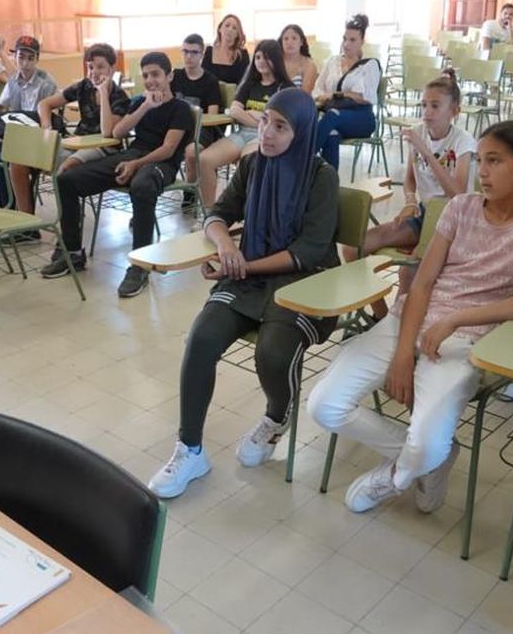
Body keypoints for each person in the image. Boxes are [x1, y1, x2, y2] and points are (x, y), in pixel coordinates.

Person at [308, 120, 513, 514]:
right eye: (480, 160)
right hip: (408, 320)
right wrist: (403, 356)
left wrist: (456, 320)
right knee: (324, 405)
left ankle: (397, 475)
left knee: (426, 443)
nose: (483, 172)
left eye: (494, 161)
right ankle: (427, 460)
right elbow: (422, 284)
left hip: (464, 342)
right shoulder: (460, 207)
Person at [147, 88, 340, 498]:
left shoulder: (321, 177)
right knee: (201, 339)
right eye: (266, 120)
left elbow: (307, 253)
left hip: (307, 285)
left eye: (281, 126)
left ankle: (275, 417)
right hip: (248, 272)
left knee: (270, 351)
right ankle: (191, 449)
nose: (267, 133)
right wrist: (227, 247)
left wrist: (240, 264)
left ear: (302, 132)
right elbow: (218, 214)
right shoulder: (254, 165)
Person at [41, 52, 193, 298]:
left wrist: (136, 164)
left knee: (142, 186)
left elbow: (167, 149)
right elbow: (117, 132)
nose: (151, 80)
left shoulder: (181, 109)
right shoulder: (139, 102)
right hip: (131, 156)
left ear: (169, 76)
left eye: (156, 74)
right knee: (66, 180)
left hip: (161, 163)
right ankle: (72, 254)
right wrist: (145, 106)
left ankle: (140, 265)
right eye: (146, 75)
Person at [350, 72, 475, 319]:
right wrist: (409, 201)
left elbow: (458, 193)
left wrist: (426, 152)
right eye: (424, 105)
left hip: (455, 220)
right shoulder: (419, 133)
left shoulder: (463, 142)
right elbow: (409, 179)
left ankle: (397, 324)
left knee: (409, 274)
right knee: (354, 248)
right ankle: (381, 317)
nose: (427, 112)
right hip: (424, 214)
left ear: (454, 111)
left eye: (435, 106)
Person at [185, 39, 292, 210]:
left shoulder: (285, 87)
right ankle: (209, 213)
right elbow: (234, 110)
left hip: (265, 137)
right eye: (257, 57)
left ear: (276, 59)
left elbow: (280, 120)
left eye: (266, 57)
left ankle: (247, 215)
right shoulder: (249, 84)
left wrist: (257, 116)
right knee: (205, 159)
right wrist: (260, 117)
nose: (261, 62)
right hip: (242, 133)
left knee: (248, 163)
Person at [36, 43, 130, 181]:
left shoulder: (119, 97)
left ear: (112, 68)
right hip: (80, 142)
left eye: (100, 67)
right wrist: (47, 127)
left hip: (105, 147)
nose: (94, 72)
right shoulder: (83, 86)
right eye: (90, 67)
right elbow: (44, 104)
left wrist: (103, 92)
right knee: (31, 159)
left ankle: (65, 197)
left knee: (66, 167)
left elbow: (107, 133)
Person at [313, 14, 380, 169]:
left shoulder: (369, 65)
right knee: (331, 134)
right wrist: (325, 97)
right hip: (335, 114)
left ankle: (301, 159)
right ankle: (329, 185)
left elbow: (367, 98)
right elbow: (317, 90)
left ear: (362, 41)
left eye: (352, 40)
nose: (346, 44)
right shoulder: (332, 61)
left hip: (362, 118)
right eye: (344, 39)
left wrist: (338, 95)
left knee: (332, 116)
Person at [0, 35, 57, 141]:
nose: (25, 63)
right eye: (21, 57)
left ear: (37, 59)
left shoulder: (46, 83)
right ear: (14, 57)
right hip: (17, 133)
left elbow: (51, 120)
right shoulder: (12, 81)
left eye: (31, 58)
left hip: (37, 135)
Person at [171, 33, 223, 158]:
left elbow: (212, 115)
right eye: (185, 51)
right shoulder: (175, 76)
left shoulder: (210, 81)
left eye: (194, 52)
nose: (189, 56)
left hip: (201, 128)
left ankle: (194, 178)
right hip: (177, 126)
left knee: (191, 152)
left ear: (202, 54)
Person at [202, 14, 251, 85]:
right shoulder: (209, 51)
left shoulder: (242, 55)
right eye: (227, 26)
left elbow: (245, 82)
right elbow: (203, 78)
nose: (230, 30)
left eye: (234, 28)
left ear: (237, 34)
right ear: (220, 29)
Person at [279, 24, 318, 92]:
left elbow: (305, 94)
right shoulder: (275, 61)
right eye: (286, 39)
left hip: (299, 101)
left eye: (294, 38)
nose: (289, 42)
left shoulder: (309, 65)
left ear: (301, 42)